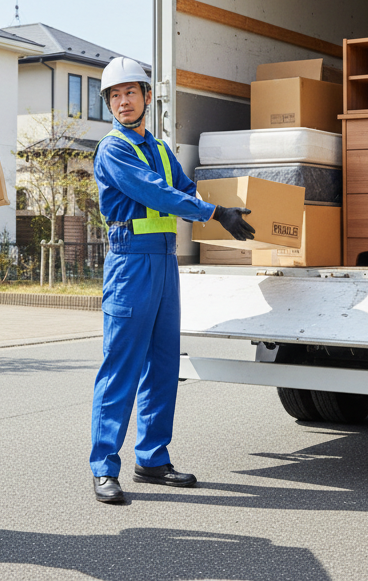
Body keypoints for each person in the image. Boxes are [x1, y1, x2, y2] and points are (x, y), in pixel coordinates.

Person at [89, 57, 255, 504]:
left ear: (147, 97)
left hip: (164, 263)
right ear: (109, 104)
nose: (123, 102)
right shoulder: (113, 149)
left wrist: (221, 205)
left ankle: (152, 458)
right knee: (120, 366)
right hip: (130, 264)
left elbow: (184, 190)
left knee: (163, 365)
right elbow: (154, 192)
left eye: (130, 93)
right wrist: (215, 214)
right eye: (115, 95)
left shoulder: (162, 149)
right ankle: (104, 467)